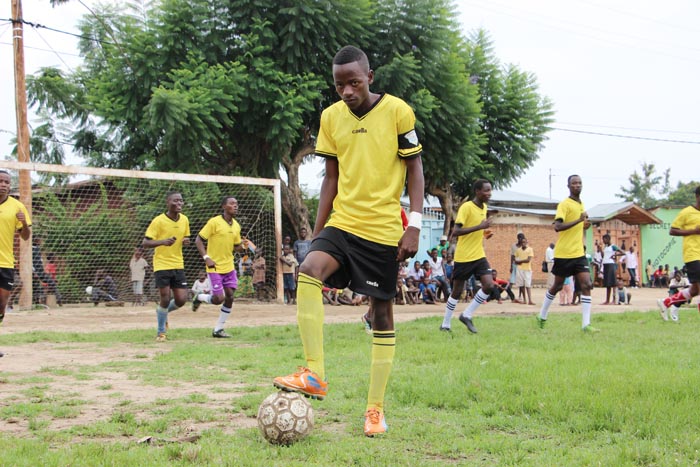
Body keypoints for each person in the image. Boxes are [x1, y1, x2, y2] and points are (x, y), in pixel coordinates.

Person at [272, 45, 424, 437]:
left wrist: (415, 225)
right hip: (344, 222)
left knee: (382, 314)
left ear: (370, 77)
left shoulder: (397, 111)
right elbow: (330, 179)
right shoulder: (331, 118)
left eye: (354, 82)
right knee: (309, 271)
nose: (347, 91)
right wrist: (318, 233)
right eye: (340, 85)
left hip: (384, 230)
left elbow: (415, 168)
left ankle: (375, 410)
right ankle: (314, 372)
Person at [536, 175, 597, 332]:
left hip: (578, 253)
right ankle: (542, 315)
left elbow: (580, 224)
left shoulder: (581, 203)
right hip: (563, 253)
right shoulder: (564, 204)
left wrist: (585, 225)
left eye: (579, 183)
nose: (577, 185)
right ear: (568, 186)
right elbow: (558, 226)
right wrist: (578, 220)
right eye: (574, 183)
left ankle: (586, 325)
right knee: (557, 286)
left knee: (587, 284)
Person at [439, 179, 495, 334]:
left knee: (489, 285)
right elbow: (455, 232)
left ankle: (467, 314)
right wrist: (480, 226)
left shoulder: (484, 207)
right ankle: (445, 324)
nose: (489, 193)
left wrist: (485, 233)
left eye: (490, 190)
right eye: (486, 190)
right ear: (477, 191)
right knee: (456, 291)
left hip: (479, 254)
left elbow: (479, 228)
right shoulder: (466, 207)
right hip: (464, 256)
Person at [193, 196, 248, 338]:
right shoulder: (214, 222)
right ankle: (199, 297)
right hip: (214, 267)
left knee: (230, 296)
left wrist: (242, 246)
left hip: (229, 266)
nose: (235, 206)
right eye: (232, 203)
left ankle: (218, 329)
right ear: (224, 206)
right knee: (218, 299)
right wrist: (206, 258)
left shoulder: (236, 225)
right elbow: (198, 240)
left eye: (236, 203)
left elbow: (236, 247)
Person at [142, 191, 190, 342]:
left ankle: (162, 313)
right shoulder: (158, 221)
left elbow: (186, 236)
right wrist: (162, 241)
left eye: (181, 201)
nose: (179, 203)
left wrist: (186, 241)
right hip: (162, 263)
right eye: (175, 201)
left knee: (181, 299)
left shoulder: (185, 220)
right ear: (167, 202)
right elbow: (145, 243)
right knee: (165, 297)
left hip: (178, 263)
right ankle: (161, 332)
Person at [657, 186, 700, 323]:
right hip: (693, 254)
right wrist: (693, 231)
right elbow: (673, 231)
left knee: (694, 290)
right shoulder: (687, 212)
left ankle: (667, 302)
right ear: (698, 196)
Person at [0, 170, 31, 358]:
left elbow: (26, 237)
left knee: (2, 304)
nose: (3, 184)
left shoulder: (17, 207)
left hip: (5, 262)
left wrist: (24, 224)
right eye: (0, 181)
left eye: (6, 182)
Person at [601, 234, 624, 305]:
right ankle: (607, 300)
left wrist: (614, 255)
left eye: (604, 239)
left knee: (613, 283)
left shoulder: (613, 246)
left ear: (608, 239)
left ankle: (614, 300)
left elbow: (623, 252)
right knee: (608, 284)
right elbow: (604, 256)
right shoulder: (606, 247)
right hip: (606, 265)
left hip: (611, 265)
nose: (603, 241)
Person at [514, 237, 535, 305]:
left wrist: (519, 261)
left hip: (527, 269)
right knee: (522, 285)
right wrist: (517, 262)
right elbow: (515, 259)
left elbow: (528, 260)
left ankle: (530, 300)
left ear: (526, 243)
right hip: (520, 269)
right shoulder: (518, 250)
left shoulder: (530, 249)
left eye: (524, 242)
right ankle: (524, 300)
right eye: (522, 242)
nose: (523, 243)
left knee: (528, 285)